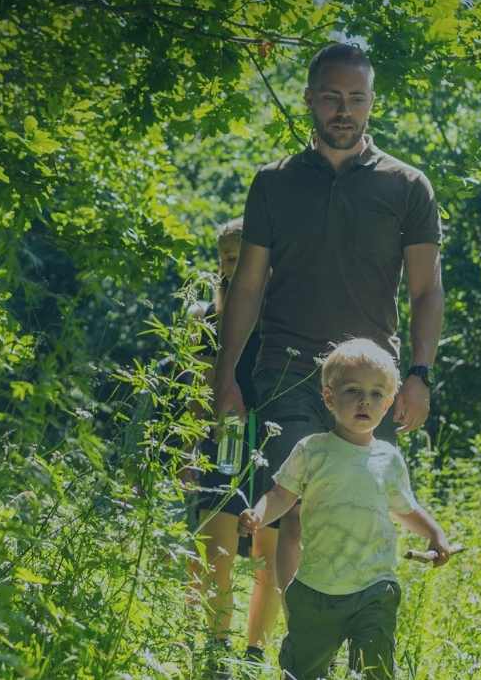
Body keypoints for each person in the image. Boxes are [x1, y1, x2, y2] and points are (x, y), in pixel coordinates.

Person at [213, 42, 446, 598]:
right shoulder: (273, 182)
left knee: (361, 512)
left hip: (370, 378)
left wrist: (419, 373)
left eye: (357, 99)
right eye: (333, 98)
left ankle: (350, 632)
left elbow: (426, 288)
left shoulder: (407, 186)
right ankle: (302, 643)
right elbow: (246, 287)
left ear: (371, 104)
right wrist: (225, 378)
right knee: (294, 508)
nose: (344, 110)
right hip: (287, 371)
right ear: (310, 100)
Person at [240, 339, 457, 680]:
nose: (363, 401)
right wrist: (257, 514)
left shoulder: (388, 458)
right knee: (301, 672)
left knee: (375, 670)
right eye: (353, 390)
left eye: (374, 394)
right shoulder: (312, 450)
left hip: (374, 587)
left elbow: (404, 508)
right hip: (316, 590)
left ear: (387, 404)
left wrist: (435, 533)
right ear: (329, 397)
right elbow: (281, 495)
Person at [184, 219, 283, 673]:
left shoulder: (286, 313)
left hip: (277, 435)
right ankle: (215, 648)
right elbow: (199, 390)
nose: (234, 264)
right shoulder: (205, 317)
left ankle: (255, 653)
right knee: (215, 544)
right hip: (224, 435)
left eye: (244, 255)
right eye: (226, 256)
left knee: (270, 548)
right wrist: (190, 450)